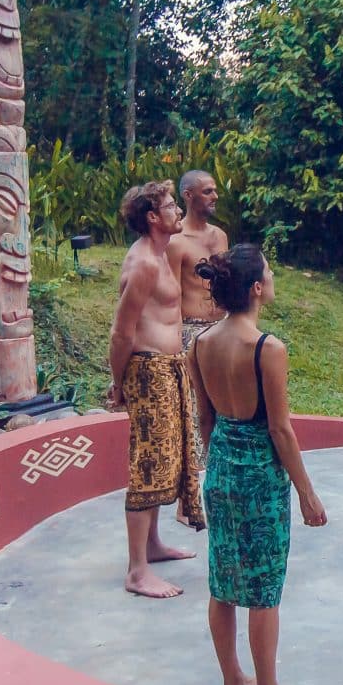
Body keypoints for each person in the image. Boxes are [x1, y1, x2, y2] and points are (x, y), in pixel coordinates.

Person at [189, 243, 328, 685]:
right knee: (264, 587)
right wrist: (306, 493)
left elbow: (204, 420)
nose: (272, 279)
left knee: (223, 579)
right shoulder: (268, 348)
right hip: (260, 478)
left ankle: (233, 680)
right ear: (254, 288)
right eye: (268, 272)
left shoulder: (201, 343)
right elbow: (280, 430)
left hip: (221, 468)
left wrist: (219, 465)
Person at [106, 180, 202, 597]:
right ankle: (136, 571)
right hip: (148, 371)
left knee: (166, 463)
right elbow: (121, 332)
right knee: (148, 467)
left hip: (168, 369)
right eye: (170, 206)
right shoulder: (144, 263)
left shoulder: (161, 253)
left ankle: (153, 545)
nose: (178, 211)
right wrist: (119, 383)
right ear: (152, 217)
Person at [167, 169, 230, 525]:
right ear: (188, 195)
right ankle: (186, 502)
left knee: (224, 411)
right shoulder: (176, 242)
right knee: (193, 414)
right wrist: (175, 345)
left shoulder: (220, 236)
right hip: (190, 332)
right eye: (207, 191)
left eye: (214, 191)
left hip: (223, 330)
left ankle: (219, 489)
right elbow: (170, 299)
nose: (214, 196)